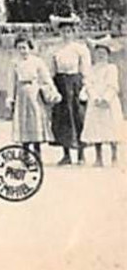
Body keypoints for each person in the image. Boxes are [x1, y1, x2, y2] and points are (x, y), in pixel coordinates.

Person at [5, 36, 59, 159]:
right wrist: (10, 98)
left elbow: (46, 77)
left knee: (36, 121)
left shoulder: (37, 61)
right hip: (21, 95)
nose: (22, 51)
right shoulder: (14, 63)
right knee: (23, 122)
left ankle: (37, 153)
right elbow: (11, 81)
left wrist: (53, 90)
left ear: (30, 48)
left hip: (34, 93)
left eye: (24, 47)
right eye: (19, 48)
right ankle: (25, 154)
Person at [49, 15, 91, 165]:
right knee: (62, 119)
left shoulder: (80, 49)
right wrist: (53, 89)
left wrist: (85, 88)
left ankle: (81, 154)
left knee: (78, 117)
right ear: (59, 33)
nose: (66, 34)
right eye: (63, 31)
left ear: (73, 32)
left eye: (69, 31)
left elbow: (86, 70)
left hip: (75, 84)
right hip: (61, 84)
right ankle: (66, 154)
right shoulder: (55, 50)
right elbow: (51, 71)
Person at [80, 37, 123, 167]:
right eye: (98, 54)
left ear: (108, 55)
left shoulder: (111, 68)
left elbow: (113, 85)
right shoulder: (91, 70)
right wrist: (94, 97)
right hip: (95, 102)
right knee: (96, 129)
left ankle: (114, 156)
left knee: (112, 127)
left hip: (109, 102)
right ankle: (98, 157)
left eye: (103, 54)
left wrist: (106, 98)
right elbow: (88, 84)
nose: (101, 56)